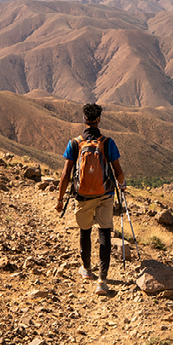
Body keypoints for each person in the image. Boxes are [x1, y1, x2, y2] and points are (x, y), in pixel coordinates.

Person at [55, 102, 125, 295]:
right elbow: (118, 171)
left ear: (84, 119)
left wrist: (60, 200)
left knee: (84, 230)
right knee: (104, 233)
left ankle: (86, 269)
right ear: (98, 120)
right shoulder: (108, 142)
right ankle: (102, 281)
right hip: (105, 195)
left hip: (83, 196)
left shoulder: (75, 143)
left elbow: (65, 174)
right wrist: (122, 183)